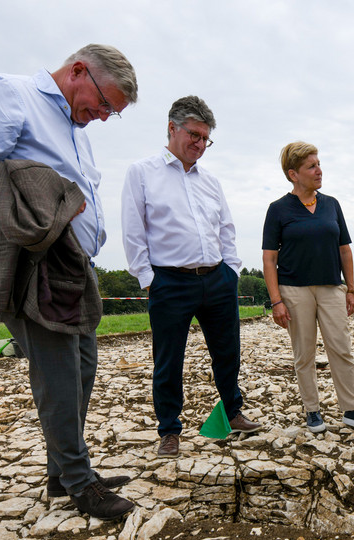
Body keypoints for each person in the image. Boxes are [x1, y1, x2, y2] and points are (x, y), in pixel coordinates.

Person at [0, 45, 139, 520]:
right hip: (34, 263)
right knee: (59, 372)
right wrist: (37, 192)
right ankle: (79, 482)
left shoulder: (73, 123)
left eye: (113, 112)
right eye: (105, 103)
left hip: (71, 264)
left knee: (83, 364)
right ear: (79, 71)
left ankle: (62, 471)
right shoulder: (11, 95)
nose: (104, 117)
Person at [121, 96, 262, 458]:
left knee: (228, 352)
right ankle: (169, 429)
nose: (200, 145)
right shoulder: (142, 172)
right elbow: (133, 230)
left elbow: (226, 227)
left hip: (216, 278)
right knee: (168, 360)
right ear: (172, 128)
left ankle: (232, 411)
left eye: (206, 139)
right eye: (194, 135)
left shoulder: (210, 181)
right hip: (170, 281)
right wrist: (148, 279)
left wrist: (231, 270)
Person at [262, 142, 354, 435]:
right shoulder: (278, 210)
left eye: (318, 163)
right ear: (293, 174)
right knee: (304, 353)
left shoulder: (332, 204)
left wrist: (350, 289)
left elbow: (345, 250)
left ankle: (351, 409)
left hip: (331, 288)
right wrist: (276, 301)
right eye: (311, 166)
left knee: (341, 348)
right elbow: (269, 258)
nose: (319, 170)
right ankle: (312, 411)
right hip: (294, 290)